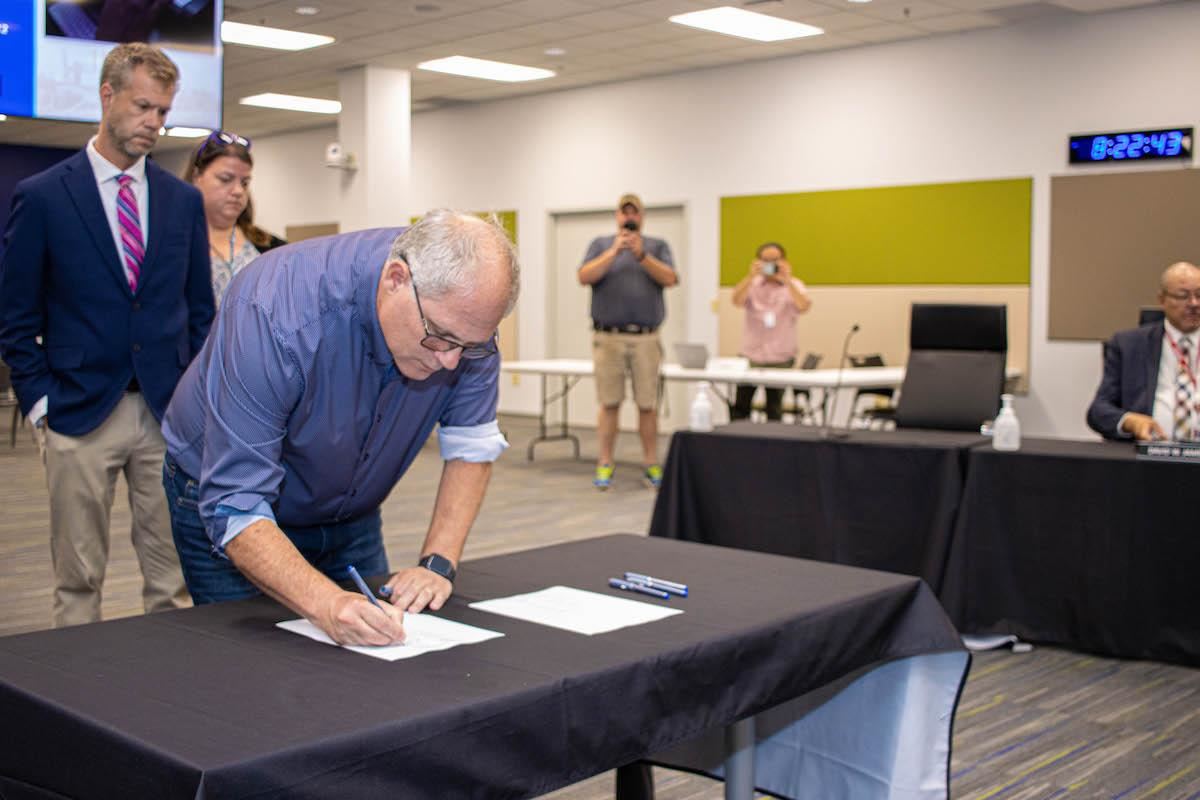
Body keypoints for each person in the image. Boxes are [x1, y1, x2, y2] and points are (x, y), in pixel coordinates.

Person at [160, 210, 519, 647]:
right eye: (439, 338)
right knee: (249, 677)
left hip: (351, 510)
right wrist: (327, 603)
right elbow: (236, 501)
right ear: (395, 279)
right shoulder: (272, 308)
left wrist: (436, 564)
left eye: (470, 345)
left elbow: (471, 446)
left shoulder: (466, 328)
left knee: (365, 670)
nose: (450, 360)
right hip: (232, 505)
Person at [0, 42, 214, 627]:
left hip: (165, 414)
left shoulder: (183, 202)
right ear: (107, 95)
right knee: (78, 580)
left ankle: (167, 699)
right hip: (76, 410)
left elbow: (199, 312)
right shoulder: (43, 197)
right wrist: (40, 401)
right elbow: (15, 316)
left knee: (171, 580)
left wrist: (193, 403)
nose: (154, 122)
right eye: (144, 106)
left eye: (164, 112)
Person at [578, 193, 678, 490]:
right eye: (624, 213)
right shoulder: (600, 244)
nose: (629, 218)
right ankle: (605, 462)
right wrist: (614, 252)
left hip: (646, 339)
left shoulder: (657, 246)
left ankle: (651, 463)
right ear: (617, 216)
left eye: (634, 213)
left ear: (643, 217)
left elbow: (670, 278)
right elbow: (584, 276)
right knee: (609, 403)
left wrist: (641, 255)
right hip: (608, 337)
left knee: (647, 404)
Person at [1087, 261, 1200, 441]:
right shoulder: (1129, 345)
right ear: (1162, 300)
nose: (1194, 303)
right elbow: (1098, 412)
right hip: (1149, 457)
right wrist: (1130, 421)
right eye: (1183, 296)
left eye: (1199, 295)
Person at [182, 131, 286, 306]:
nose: (238, 191)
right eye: (225, 179)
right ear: (196, 177)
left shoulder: (271, 247)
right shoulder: (174, 245)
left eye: (244, 183)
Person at [729, 242, 812, 421]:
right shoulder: (752, 285)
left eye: (775, 260)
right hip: (751, 356)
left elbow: (804, 306)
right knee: (741, 407)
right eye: (765, 260)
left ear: (784, 261)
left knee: (774, 410)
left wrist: (787, 279)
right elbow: (736, 300)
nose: (770, 264)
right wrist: (750, 277)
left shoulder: (794, 286)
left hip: (780, 358)